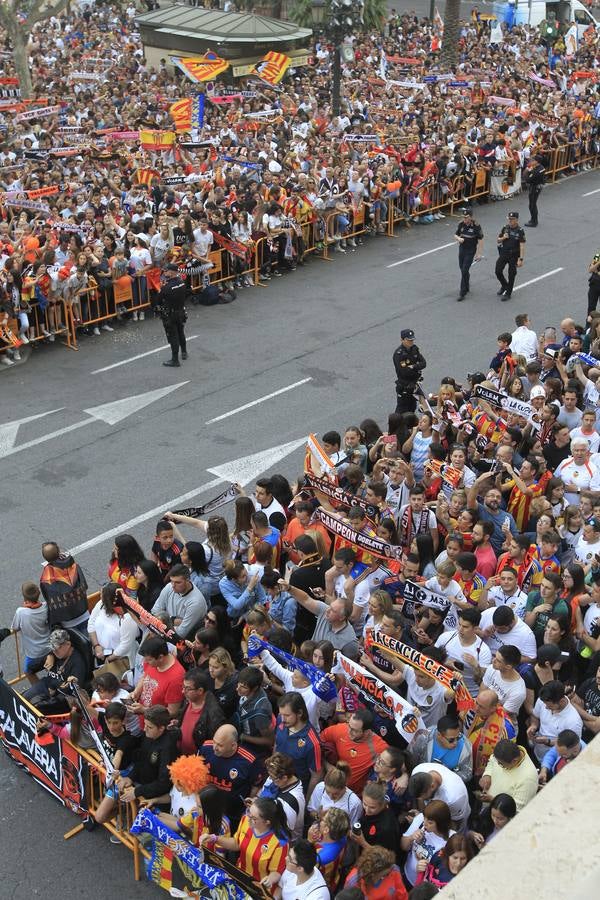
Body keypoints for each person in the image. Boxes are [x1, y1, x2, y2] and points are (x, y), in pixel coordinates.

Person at [200, 796, 289, 890]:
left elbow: (276, 872)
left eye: (254, 818)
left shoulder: (280, 842)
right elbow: (236, 843)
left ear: (267, 822)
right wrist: (215, 838)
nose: (248, 819)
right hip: (240, 876)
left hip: (260, 888)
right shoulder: (245, 820)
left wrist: (270, 880)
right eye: (249, 812)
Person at [200, 724, 262, 825]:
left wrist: (249, 804)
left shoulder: (249, 761)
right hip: (206, 808)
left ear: (233, 745)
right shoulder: (206, 748)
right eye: (214, 742)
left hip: (233, 815)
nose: (214, 747)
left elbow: (256, 785)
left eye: (220, 745)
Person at [321, 709, 388, 795]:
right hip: (331, 788)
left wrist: (403, 776)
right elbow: (319, 742)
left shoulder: (378, 747)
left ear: (367, 732)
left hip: (353, 795)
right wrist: (326, 764)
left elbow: (396, 764)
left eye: (355, 730)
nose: (349, 732)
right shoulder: (341, 729)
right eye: (349, 726)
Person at [275, 692, 322, 799]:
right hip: (276, 780)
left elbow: (316, 775)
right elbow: (276, 744)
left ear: (300, 713)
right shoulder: (281, 722)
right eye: (281, 714)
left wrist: (307, 800)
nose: (282, 719)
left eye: (287, 715)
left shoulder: (312, 742)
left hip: (295, 791)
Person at [401, 799, 454, 889]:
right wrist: (411, 838)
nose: (425, 824)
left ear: (441, 824)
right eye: (425, 819)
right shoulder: (421, 820)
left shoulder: (451, 841)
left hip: (423, 888)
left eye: (430, 823)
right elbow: (403, 846)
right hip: (407, 876)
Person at [39, 541, 89, 636]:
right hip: (84, 613)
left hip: (68, 623)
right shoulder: (73, 565)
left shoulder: (46, 579)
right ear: (58, 552)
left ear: (45, 558)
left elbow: (49, 600)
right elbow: (84, 586)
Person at [128, 636, 185, 717]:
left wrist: (144, 710)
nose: (145, 662)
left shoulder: (176, 678)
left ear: (160, 657)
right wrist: (136, 692)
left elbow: (172, 712)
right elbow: (145, 675)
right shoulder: (152, 661)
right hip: (143, 718)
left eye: (149, 660)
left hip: (156, 725)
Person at [527, 679, 583, 762]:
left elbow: (571, 745)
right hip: (536, 752)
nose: (545, 707)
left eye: (550, 706)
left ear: (561, 701)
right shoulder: (544, 700)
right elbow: (535, 716)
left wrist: (548, 742)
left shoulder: (574, 721)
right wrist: (533, 726)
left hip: (554, 761)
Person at [87, 583, 139, 671]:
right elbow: (91, 624)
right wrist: (96, 646)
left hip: (121, 659)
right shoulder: (101, 604)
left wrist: (110, 658)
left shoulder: (127, 617)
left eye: (102, 595)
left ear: (110, 599)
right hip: (101, 653)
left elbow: (125, 645)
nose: (100, 598)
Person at [176, 668, 226, 754]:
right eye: (183, 687)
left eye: (188, 688)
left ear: (200, 691)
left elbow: (213, 746)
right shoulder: (188, 699)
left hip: (198, 762)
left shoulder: (214, 714)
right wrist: (177, 722)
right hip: (182, 758)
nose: (183, 691)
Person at [478, 740, 538, 812]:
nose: (498, 764)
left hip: (501, 819)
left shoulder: (529, 779)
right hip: (488, 808)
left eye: (501, 764)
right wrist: (487, 775)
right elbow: (492, 760)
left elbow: (517, 810)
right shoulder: (504, 755)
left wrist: (493, 800)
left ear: (514, 761)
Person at [10, 581, 51, 685]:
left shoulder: (21, 612)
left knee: (28, 671)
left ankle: (40, 690)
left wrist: (25, 608)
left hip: (35, 654)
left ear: (25, 598)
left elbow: (14, 627)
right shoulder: (46, 606)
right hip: (50, 648)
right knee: (51, 667)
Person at [409, 715, 473, 783]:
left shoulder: (466, 746)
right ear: (439, 735)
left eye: (458, 737)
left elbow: (467, 774)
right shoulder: (423, 738)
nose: (456, 743)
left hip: (448, 785)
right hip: (421, 781)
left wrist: (444, 777)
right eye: (451, 740)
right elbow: (410, 760)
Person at [151, 563, 207, 639]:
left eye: (178, 582)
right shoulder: (169, 587)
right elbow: (154, 611)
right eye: (171, 581)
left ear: (187, 580)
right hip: (163, 631)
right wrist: (172, 620)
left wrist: (164, 619)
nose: (173, 585)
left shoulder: (196, 603)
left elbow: (180, 634)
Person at [260, 752, 306, 841]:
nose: (270, 780)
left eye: (273, 778)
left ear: (284, 778)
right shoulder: (274, 779)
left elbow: (283, 833)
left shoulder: (291, 801)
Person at [409, 764, 470, 829]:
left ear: (432, 786)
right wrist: (421, 817)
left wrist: (423, 824)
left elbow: (453, 824)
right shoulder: (417, 771)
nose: (420, 799)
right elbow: (421, 799)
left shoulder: (453, 798)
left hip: (454, 819)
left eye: (423, 797)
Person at [307, 760, 363, 826]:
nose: (331, 797)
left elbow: (353, 828)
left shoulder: (355, 803)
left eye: (336, 794)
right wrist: (318, 816)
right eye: (327, 792)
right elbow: (311, 811)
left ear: (344, 787)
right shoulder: (320, 788)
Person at [158, 263, 187, 367]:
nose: (164, 272)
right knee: (181, 331)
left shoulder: (167, 287)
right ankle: (184, 352)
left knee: (173, 336)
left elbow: (158, 300)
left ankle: (175, 360)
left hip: (171, 314)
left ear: (172, 272)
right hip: (181, 311)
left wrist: (161, 289)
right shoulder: (182, 282)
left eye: (166, 271)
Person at [392, 328, 427, 414]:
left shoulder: (414, 349)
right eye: (408, 340)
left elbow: (423, 363)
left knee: (412, 408)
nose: (411, 342)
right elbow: (404, 372)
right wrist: (417, 371)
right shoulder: (399, 354)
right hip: (405, 385)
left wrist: (413, 367)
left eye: (412, 340)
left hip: (415, 384)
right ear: (402, 340)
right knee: (402, 409)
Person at [453, 206, 483, 301]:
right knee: (462, 268)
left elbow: (481, 240)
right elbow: (455, 234)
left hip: (470, 250)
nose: (464, 219)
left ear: (470, 217)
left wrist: (479, 253)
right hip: (462, 249)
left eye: (466, 217)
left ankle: (462, 292)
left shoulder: (476, 226)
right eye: (463, 217)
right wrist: (459, 239)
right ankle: (467, 282)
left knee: (464, 269)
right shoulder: (461, 224)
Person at [495, 211, 525, 300]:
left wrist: (521, 259)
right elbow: (498, 240)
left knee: (511, 274)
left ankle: (508, 293)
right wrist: (503, 238)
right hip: (504, 253)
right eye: (509, 219)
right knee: (498, 271)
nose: (510, 221)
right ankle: (504, 285)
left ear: (516, 220)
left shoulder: (520, 231)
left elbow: (522, 245)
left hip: (514, 255)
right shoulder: (505, 228)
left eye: (512, 219)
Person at [524, 156, 545, 228]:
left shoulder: (537, 170)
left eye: (533, 160)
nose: (531, 161)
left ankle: (534, 221)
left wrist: (526, 171)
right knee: (531, 204)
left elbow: (528, 179)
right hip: (535, 186)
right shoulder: (539, 167)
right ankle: (533, 219)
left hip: (535, 187)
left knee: (532, 205)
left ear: (537, 161)